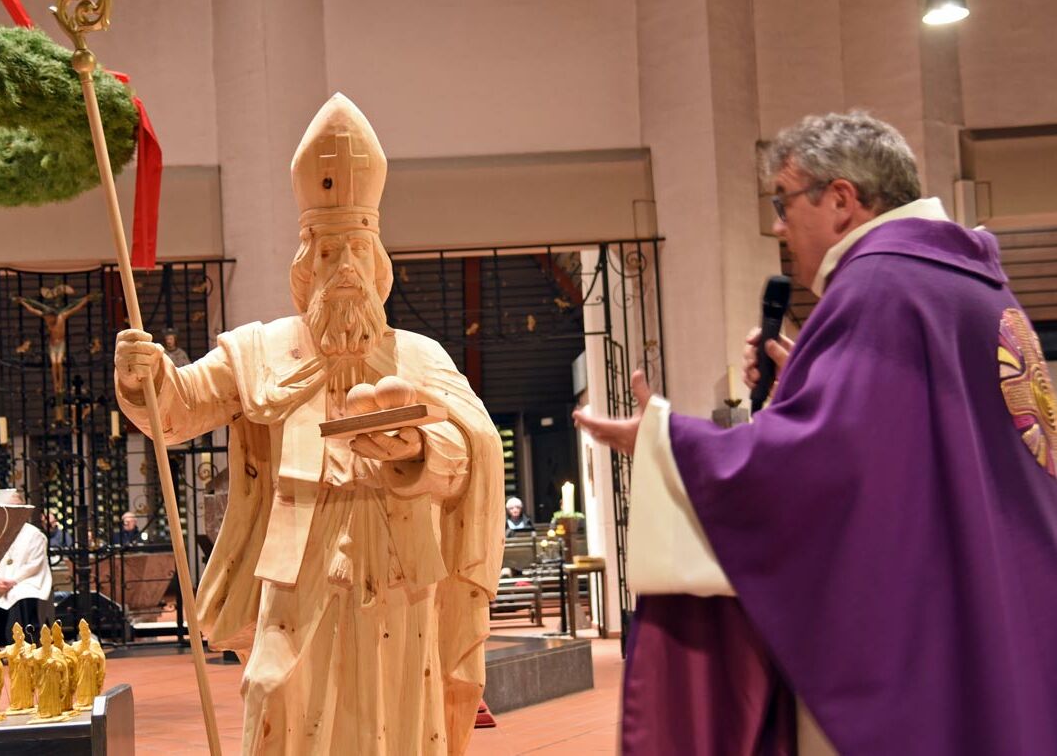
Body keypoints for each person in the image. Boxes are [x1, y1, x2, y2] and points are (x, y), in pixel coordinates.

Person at [574, 111, 1057, 756]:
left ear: (840, 200)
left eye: (783, 200)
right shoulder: (969, 280)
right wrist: (805, 378)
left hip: (914, 635)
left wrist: (665, 440)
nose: (777, 224)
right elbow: (907, 451)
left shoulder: (879, 285)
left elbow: (820, 467)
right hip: (1005, 602)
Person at [115, 93, 503, 755]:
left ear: (377, 262)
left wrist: (414, 446)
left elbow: (474, 449)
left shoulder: (419, 355)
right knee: (278, 702)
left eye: (356, 249)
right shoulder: (260, 350)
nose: (343, 268)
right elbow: (177, 406)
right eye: (327, 253)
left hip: (400, 578)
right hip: (297, 578)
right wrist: (142, 375)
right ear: (304, 267)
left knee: (394, 724)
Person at [0, 494, 52, 646]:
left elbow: (35, 563)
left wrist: (13, 581)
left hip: (24, 581)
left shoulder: (34, 534)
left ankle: (20, 645)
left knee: (20, 595)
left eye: (17, 507)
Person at [14, 292, 99, 395]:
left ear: (53, 316)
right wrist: (23, 302)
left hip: (61, 344)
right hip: (53, 344)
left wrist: (85, 300)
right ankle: (56, 385)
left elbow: (75, 308)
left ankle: (60, 384)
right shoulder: (47, 318)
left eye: (50, 319)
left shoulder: (61, 317)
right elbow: (33, 310)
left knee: (59, 363)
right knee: (54, 363)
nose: (48, 321)